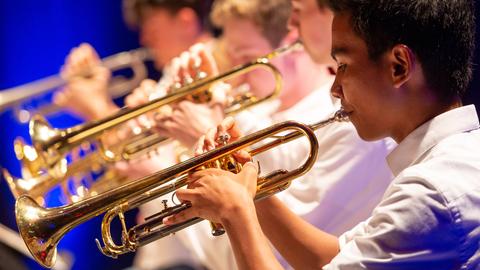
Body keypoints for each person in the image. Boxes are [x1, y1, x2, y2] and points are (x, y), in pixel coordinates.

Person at [164, 0, 480, 269]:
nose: (335, 88)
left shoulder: (430, 193)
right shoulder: (452, 162)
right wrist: (251, 187)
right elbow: (330, 258)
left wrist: (235, 212)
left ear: (398, 66)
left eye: (343, 65)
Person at [150, 0, 393, 269]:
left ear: (289, 44)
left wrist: (163, 166)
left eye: (245, 58)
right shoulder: (266, 114)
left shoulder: (352, 125)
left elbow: (277, 258)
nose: (238, 76)